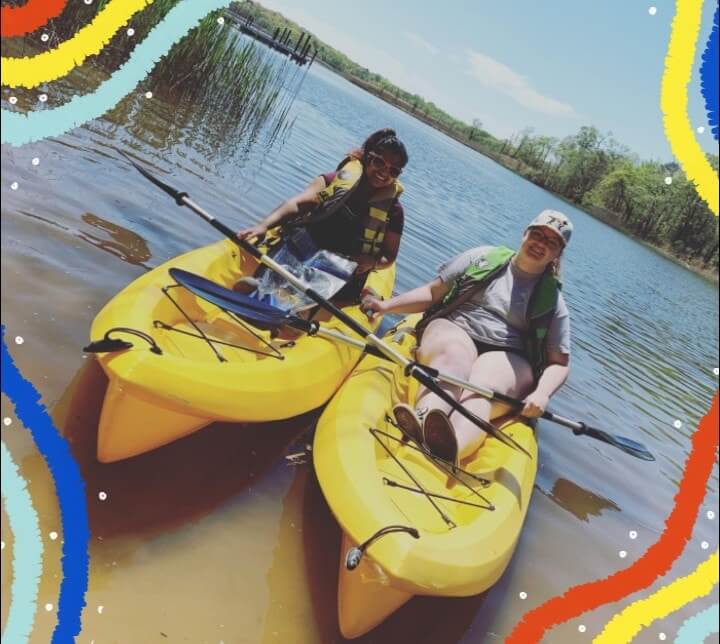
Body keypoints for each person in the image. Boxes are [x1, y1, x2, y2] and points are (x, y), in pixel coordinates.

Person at [362, 210, 573, 466]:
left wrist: (542, 394)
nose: (540, 243)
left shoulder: (554, 303)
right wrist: (385, 307)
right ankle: (423, 418)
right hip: (457, 328)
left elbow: (559, 363)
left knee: (483, 388)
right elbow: (432, 293)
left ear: (557, 253)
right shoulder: (482, 258)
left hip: (508, 354)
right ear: (525, 234)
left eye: (551, 242)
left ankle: (451, 448)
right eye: (537, 234)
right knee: (453, 363)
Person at [237, 128, 409, 277]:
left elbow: (389, 255)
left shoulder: (394, 211)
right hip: (307, 242)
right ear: (367, 157)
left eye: (393, 171)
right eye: (379, 162)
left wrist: (373, 262)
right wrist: (263, 226)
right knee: (292, 252)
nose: (384, 172)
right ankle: (262, 284)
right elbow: (298, 204)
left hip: (343, 264)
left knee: (313, 281)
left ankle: (274, 292)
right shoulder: (334, 181)